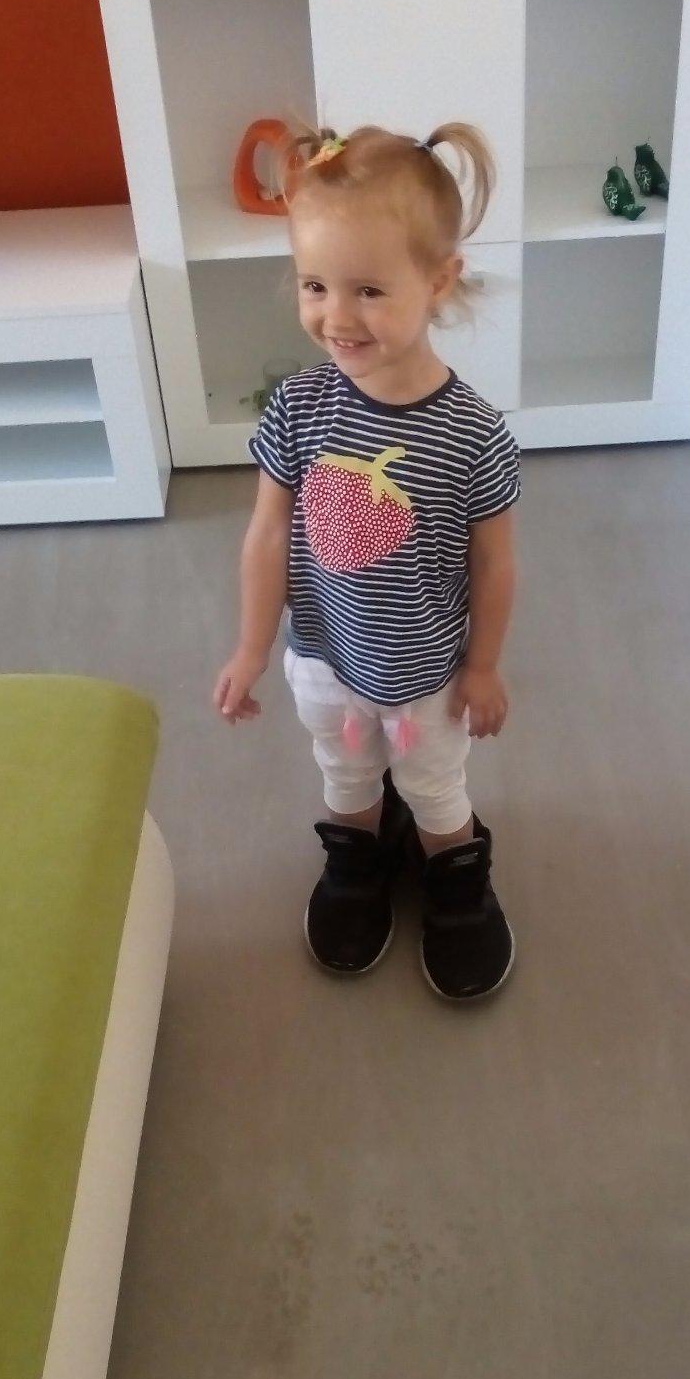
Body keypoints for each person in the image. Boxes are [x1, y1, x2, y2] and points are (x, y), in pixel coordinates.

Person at [213, 123, 520, 1000]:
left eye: (369, 290)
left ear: (440, 280)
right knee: (344, 773)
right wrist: (251, 647)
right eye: (314, 286)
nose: (336, 317)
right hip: (325, 655)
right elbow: (267, 535)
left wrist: (484, 664)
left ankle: (452, 868)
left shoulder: (472, 433)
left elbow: (495, 563)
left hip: (427, 670)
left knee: (434, 783)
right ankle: (358, 854)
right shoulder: (297, 408)